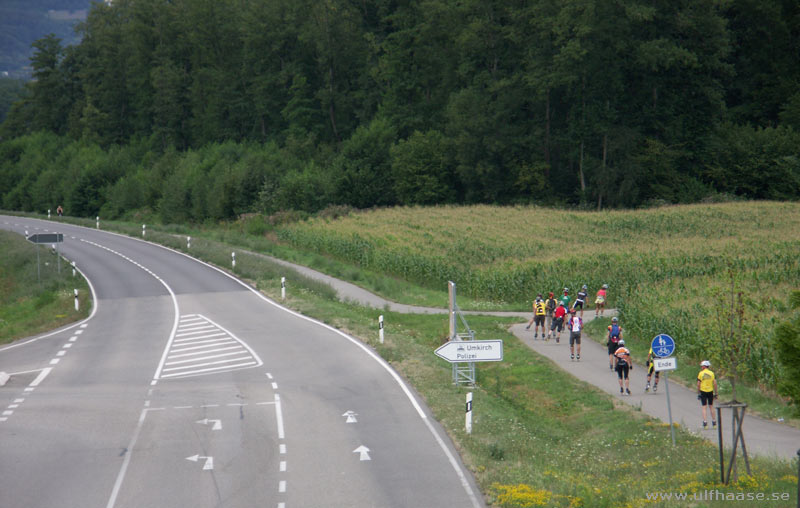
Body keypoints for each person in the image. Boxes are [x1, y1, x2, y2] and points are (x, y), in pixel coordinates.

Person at [697, 360, 718, 428]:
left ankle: (705, 423)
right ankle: (714, 422)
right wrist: (716, 392)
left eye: (702, 366)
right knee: (711, 406)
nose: (701, 367)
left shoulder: (701, 373)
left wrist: (698, 392)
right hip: (710, 391)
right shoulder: (712, 373)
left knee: (704, 407)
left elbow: (698, 384)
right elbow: (715, 383)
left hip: (703, 391)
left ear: (704, 366)